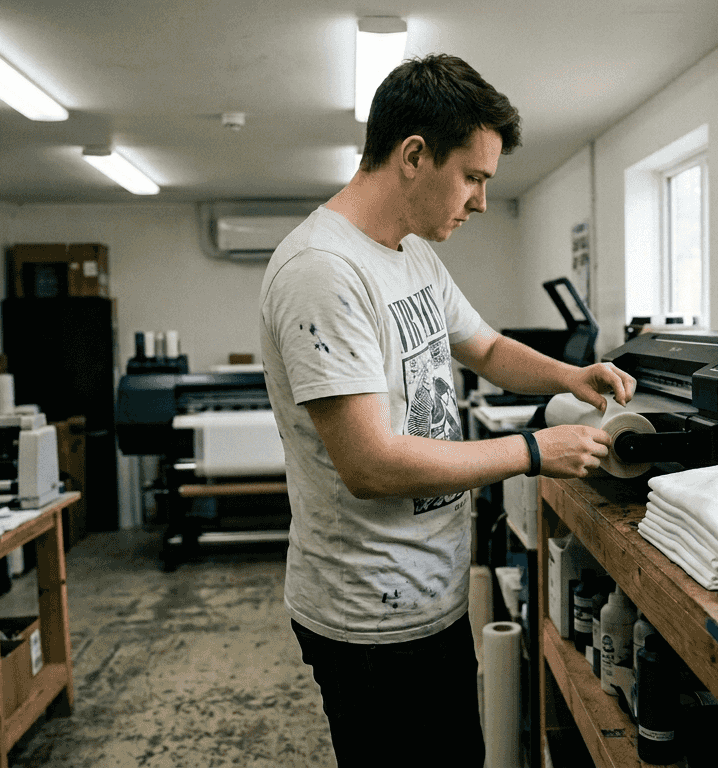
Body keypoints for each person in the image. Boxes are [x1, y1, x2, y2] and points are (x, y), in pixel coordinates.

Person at [258, 53, 636, 767]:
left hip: (429, 596)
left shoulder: (410, 253)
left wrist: (572, 375)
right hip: (366, 619)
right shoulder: (322, 271)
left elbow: (486, 348)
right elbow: (369, 464)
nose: (482, 201)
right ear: (413, 156)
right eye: (473, 178)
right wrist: (533, 452)